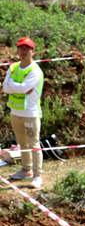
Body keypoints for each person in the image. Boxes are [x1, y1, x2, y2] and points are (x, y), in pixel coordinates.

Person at [3, 37, 44, 190]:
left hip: (30, 114)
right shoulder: (13, 67)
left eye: (27, 48)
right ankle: (25, 170)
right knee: (22, 143)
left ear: (33, 51)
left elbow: (17, 87)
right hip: (15, 113)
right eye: (21, 48)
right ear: (18, 50)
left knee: (34, 144)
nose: (24, 51)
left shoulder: (35, 70)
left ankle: (37, 175)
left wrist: (13, 84)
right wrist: (17, 86)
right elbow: (6, 88)